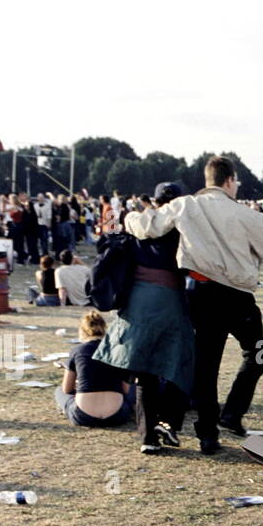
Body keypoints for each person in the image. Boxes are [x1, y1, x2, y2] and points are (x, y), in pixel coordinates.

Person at [124, 156, 263, 452]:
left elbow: (147, 225)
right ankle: (233, 412)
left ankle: (208, 433)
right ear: (230, 181)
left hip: (202, 294)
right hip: (239, 298)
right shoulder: (246, 214)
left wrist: (128, 217)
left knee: (207, 367)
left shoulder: (186, 205)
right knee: (258, 354)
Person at [95, 181, 195, 454]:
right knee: (181, 365)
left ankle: (147, 438)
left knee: (145, 371)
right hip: (171, 300)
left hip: (138, 302)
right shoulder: (181, 229)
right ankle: (168, 421)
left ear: (154, 200)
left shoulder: (135, 224)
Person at [55, 309, 134, 427]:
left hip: (84, 415)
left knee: (59, 391)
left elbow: (67, 389)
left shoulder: (77, 351)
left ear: (82, 331)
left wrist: (81, 387)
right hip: (117, 415)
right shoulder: (118, 350)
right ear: (105, 329)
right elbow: (126, 390)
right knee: (134, 390)